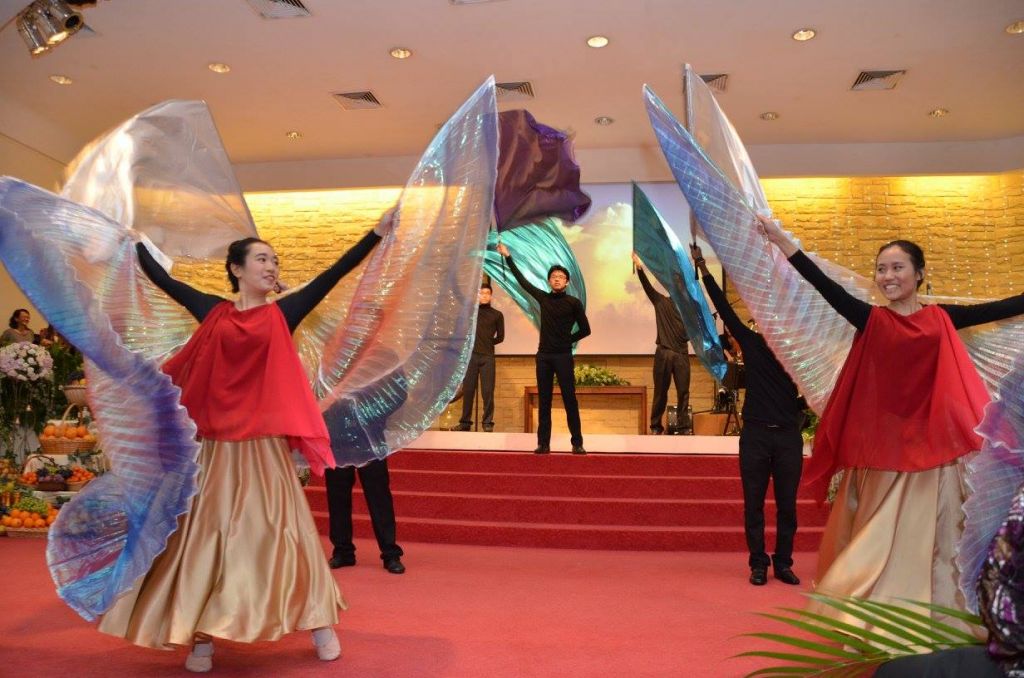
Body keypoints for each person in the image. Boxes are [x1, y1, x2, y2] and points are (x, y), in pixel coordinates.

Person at [97, 209, 395, 672]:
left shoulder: (285, 312)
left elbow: (336, 271)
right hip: (214, 449)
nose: (271, 266)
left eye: (274, 260)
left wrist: (375, 233)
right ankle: (200, 634)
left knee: (283, 534)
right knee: (204, 537)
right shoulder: (211, 312)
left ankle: (319, 622)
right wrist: (131, 240)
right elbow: (160, 280)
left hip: (262, 450)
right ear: (237, 269)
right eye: (261, 259)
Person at [758, 214, 1024, 622]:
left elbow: (1005, 306)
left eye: (897, 267)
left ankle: (939, 617)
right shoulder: (871, 319)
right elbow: (820, 285)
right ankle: (873, 618)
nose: (887, 276)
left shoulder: (942, 318)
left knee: (939, 543)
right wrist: (780, 240)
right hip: (883, 454)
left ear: (919, 274)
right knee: (874, 542)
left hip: (938, 454)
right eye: (881, 269)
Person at [692, 244, 805, 587]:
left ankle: (783, 562)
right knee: (753, 504)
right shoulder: (751, 342)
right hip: (755, 434)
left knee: (788, 506)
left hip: (787, 436)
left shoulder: (798, 350)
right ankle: (758, 563)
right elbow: (724, 309)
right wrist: (704, 269)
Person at [496, 242, 591, 454]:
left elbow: (586, 329)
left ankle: (577, 443)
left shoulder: (574, 303)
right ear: (549, 281)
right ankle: (543, 444)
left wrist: (568, 340)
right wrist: (508, 256)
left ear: (566, 282)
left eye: (561, 277)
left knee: (569, 399)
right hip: (544, 356)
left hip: (563, 356)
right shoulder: (543, 297)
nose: (557, 279)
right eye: (554, 276)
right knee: (545, 400)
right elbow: (521, 281)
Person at [631, 253, 690, 434]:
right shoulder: (661, 302)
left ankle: (682, 426)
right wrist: (639, 267)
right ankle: (656, 426)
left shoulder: (690, 311)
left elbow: (691, 335)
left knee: (683, 392)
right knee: (660, 392)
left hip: (681, 354)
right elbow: (647, 286)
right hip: (663, 353)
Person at [457, 283, 505, 432]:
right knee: (469, 390)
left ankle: (487, 422)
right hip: (471, 357)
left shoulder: (497, 315)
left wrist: (489, 342)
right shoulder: (470, 313)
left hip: (487, 357)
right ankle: (465, 423)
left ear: (491, 296)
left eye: (487, 293)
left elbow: (501, 337)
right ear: (476, 295)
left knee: (487, 391)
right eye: (481, 293)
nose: (484, 295)